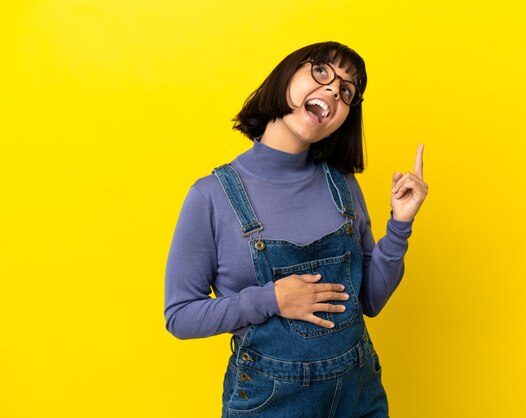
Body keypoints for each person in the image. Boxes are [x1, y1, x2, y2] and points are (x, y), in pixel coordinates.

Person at [164, 41, 428, 417]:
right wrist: (272, 299)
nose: (335, 89)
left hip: (358, 393)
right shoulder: (211, 196)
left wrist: (400, 225)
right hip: (271, 401)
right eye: (321, 71)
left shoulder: (343, 187)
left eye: (347, 90)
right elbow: (180, 316)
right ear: (286, 75)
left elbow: (369, 300)